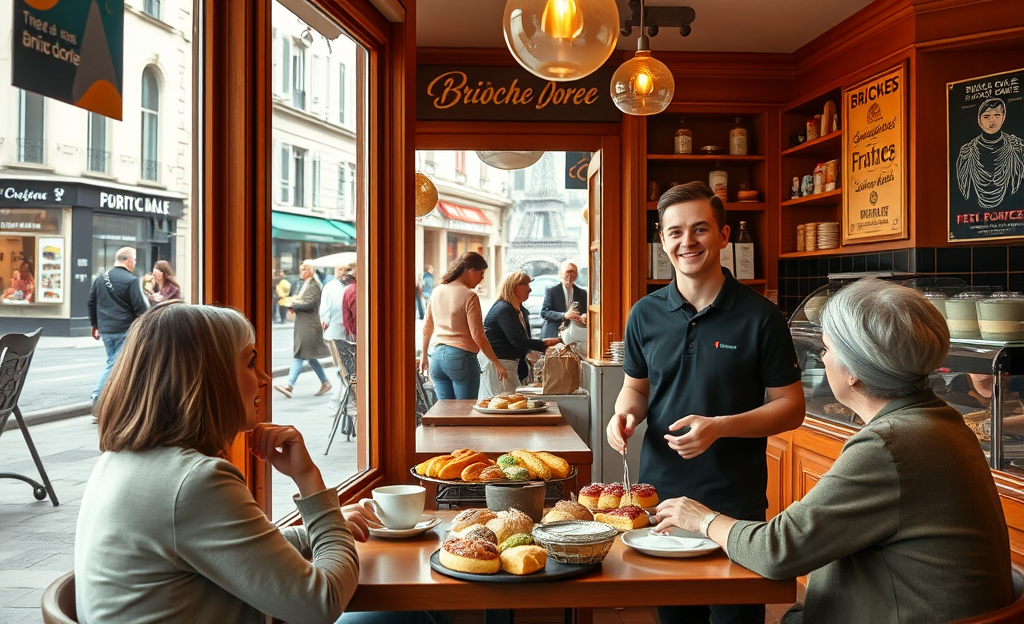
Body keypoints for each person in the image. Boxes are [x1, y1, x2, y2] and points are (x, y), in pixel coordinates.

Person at [654, 279, 1015, 623]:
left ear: (854, 371)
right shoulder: (941, 420)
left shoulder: (889, 445)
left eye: (827, 349)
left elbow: (777, 550)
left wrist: (700, 519)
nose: (823, 359)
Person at [75, 301, 384, 624]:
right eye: (250, 363)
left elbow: (233, 551)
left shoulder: (117, 462)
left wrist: (318, 530)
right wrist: (309, 481)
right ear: (210, 378)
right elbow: (322, 603)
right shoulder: (195, 481)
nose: (264, 378)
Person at [606, 181, 805, 624]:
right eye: (675, 232)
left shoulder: (761, 317)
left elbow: (791, 407)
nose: (687, 241)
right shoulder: (644, 314)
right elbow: (636, 387)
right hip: (662, 499)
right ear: (663, 240)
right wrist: (625, 414)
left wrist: (720, 426)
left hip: (733, 504)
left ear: (724, 235)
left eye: (700, 229)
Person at [419, 251, 507, 400]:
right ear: (469, 270)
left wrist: (424, 356)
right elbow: (478, 336)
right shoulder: (469, 295)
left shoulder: (437, 291)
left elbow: (427, 327)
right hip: (461, 358)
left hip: (437, 359)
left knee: (445, 413)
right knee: (465, 413)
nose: (482, 278)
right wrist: (497, 363)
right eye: (481, 273)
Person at [480, 271, 561, 397]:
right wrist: (544, 344)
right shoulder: (505, 309)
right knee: (505, 402)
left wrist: (531, 352)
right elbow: (517, 340)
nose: (530, 289)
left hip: (509, 363)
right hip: (502, 364)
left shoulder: (517, 309)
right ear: (514, 286)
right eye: (526, 285)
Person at [87, 247, 149, 404]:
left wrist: (94, 325)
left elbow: (91, 302)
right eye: (134, 260)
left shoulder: (100, 279)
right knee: (115, 363)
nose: (134, 263)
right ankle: (98, 397)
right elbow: (140, 307)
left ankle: (115, 401)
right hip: (124, 329)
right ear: (128, 261)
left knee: (116, 362)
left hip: (106, 330)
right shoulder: (131, 280)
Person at [274, 260, 332, 398]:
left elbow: (309, 303)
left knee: (300, 354)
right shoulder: (303, 284)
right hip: (303, 324)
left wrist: (293, 303)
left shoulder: (314, 286)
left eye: (305, 269)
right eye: (301, 269)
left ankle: (289, 385)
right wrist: (293, 302)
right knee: (309, 357)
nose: (302, 272)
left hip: (309, 325)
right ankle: (325, 382)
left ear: (311, 270)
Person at [956, 97, 1024, 210]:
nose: (992, 121)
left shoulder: (1016, 146)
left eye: (997, 115)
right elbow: (963, 188)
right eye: (986, 116)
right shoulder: (968, 150)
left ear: (1003, 117)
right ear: (979, 119)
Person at [539, 260, 587, 339]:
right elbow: (544, 312)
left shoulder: (582, 293)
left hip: (574, 334)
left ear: (577, 275)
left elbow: (585, 312)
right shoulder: (551, 291)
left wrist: (584, 316)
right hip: (554, 333)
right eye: (567, 272)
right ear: (560, 274)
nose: (570, 275)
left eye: (573, 272)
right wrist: (564, 315)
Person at [342, 270, 357, 341]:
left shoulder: (349, 290)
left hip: (355, 330)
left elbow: (346, 314)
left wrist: (349, 330)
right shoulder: (351, 289)